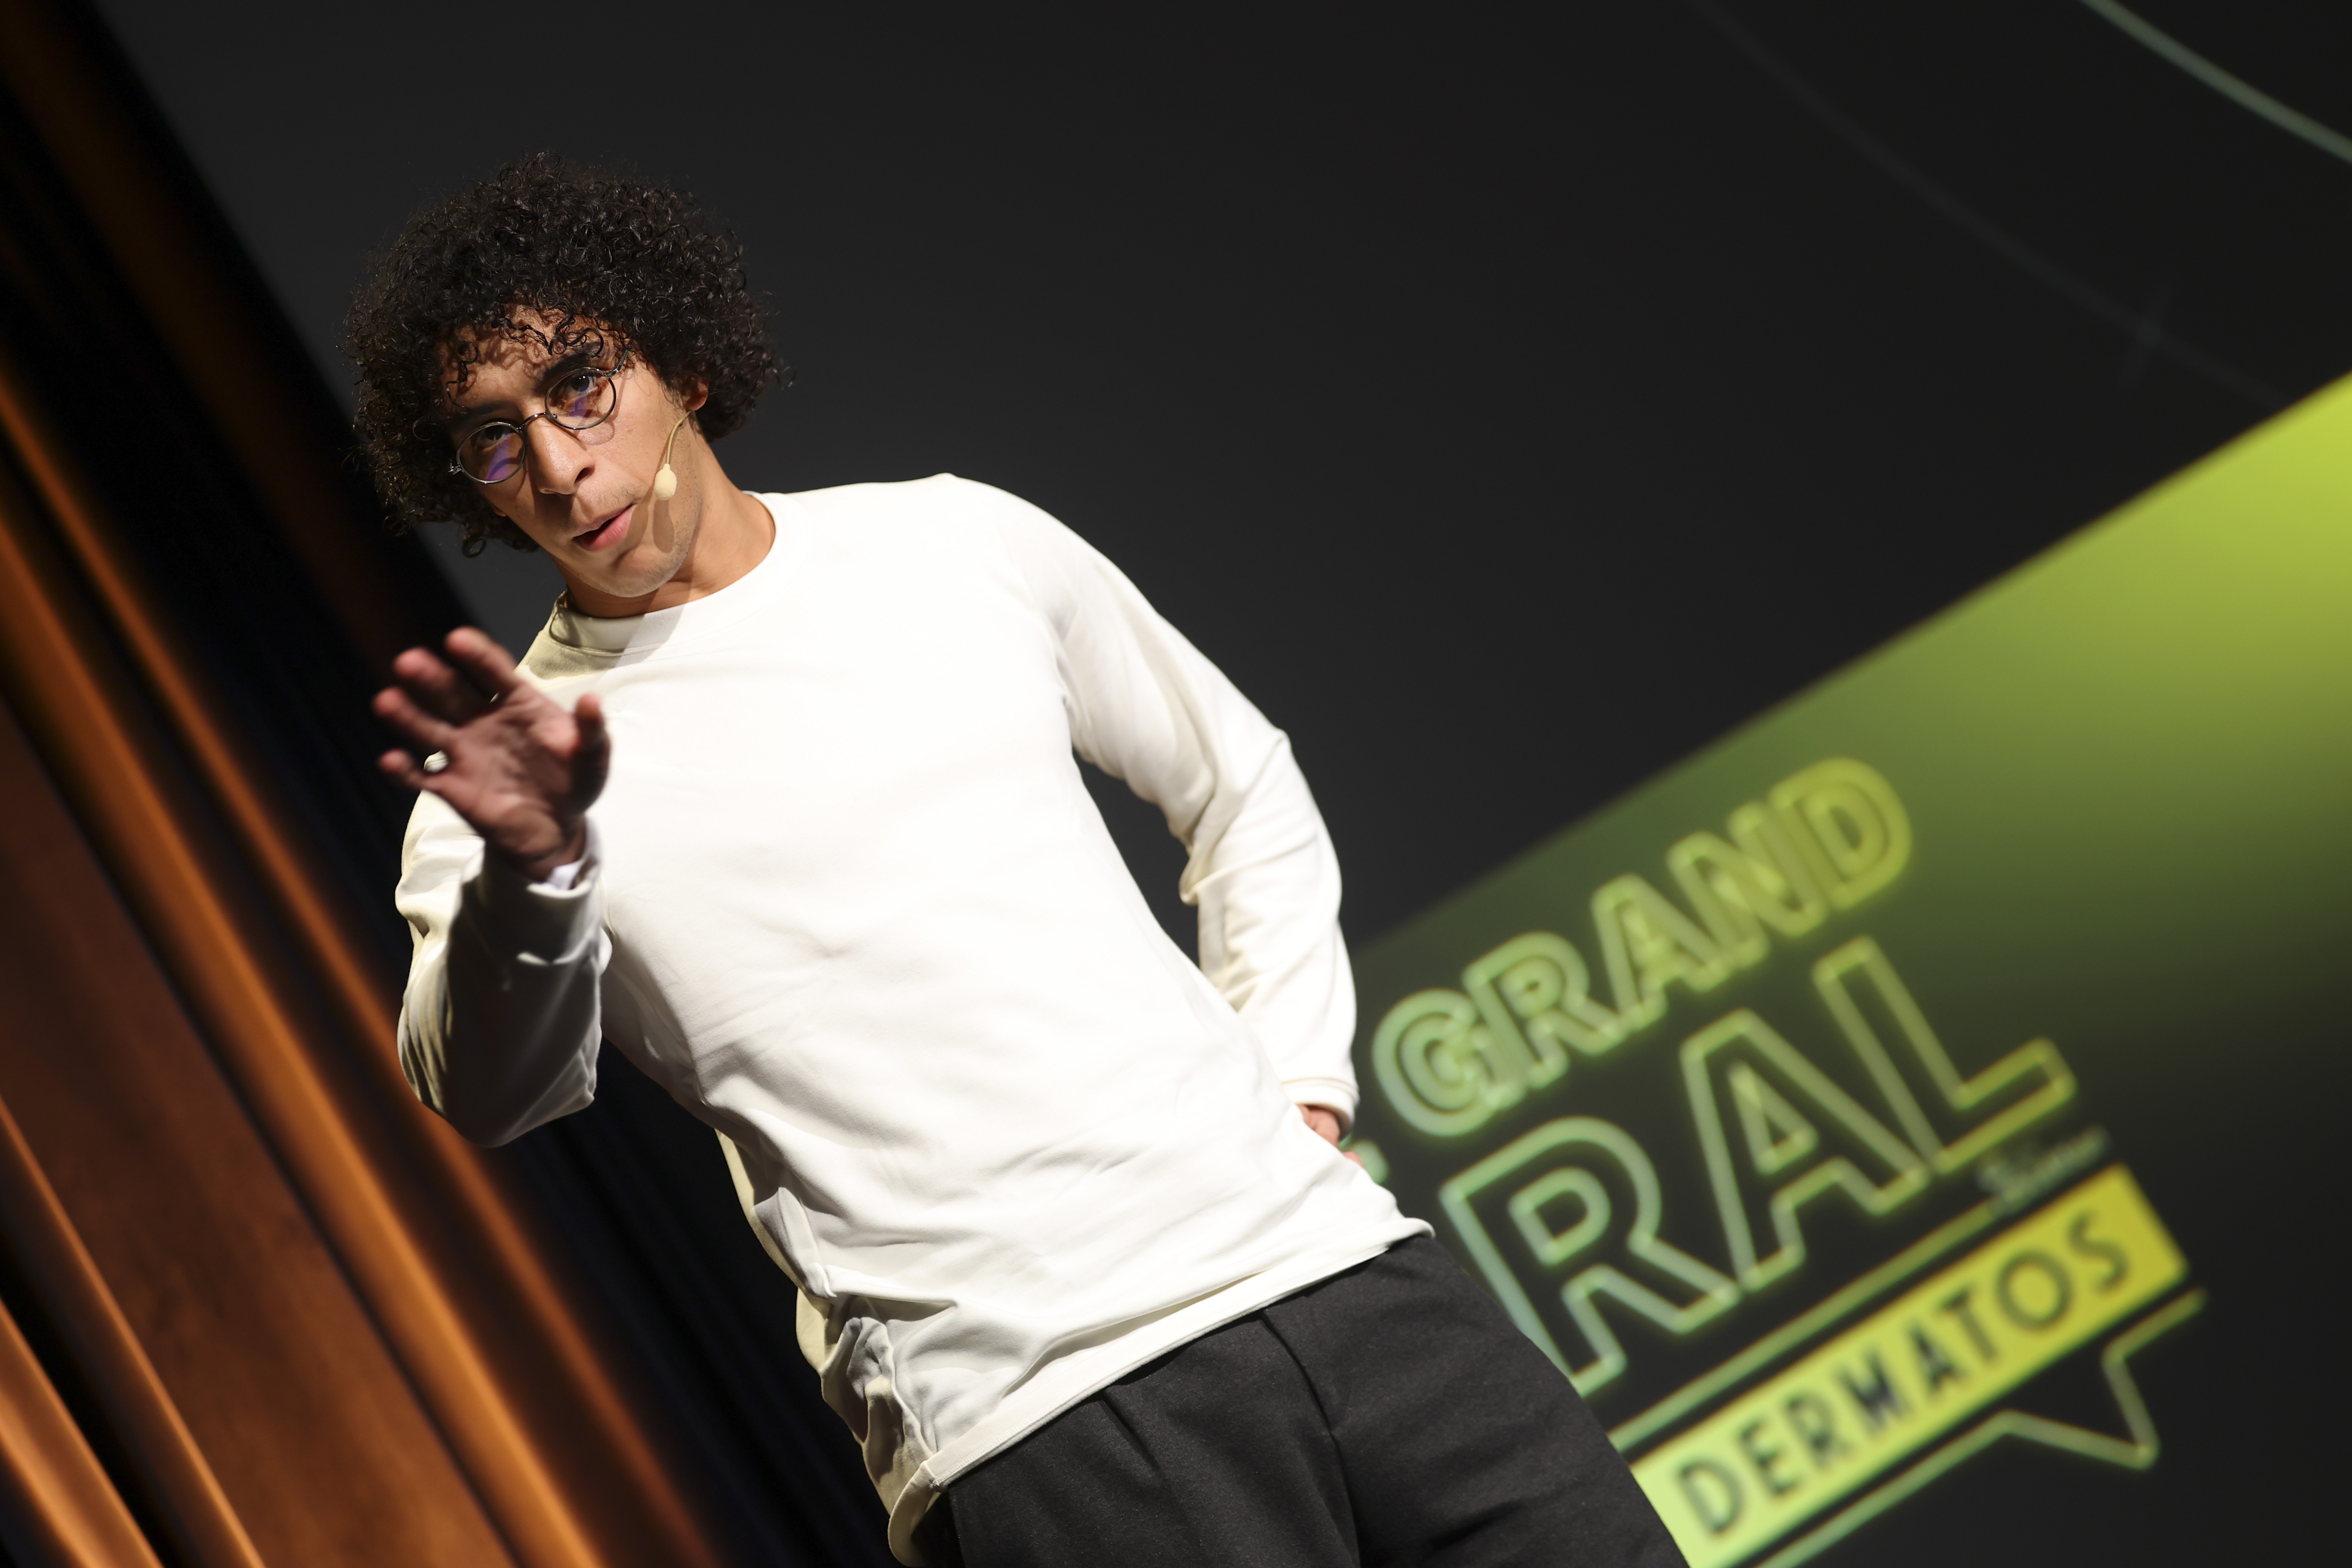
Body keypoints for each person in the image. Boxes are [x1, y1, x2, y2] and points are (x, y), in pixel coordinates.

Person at [355, 155, 1681, 1568]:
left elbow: (1240, 783)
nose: (560, 467)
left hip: (1351, 1282)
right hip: (1044, 1414)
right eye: (493, 441)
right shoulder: (518, 778)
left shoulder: (950, 538)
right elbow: (486, 1089)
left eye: (578, 386)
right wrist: (539, 869)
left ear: (678, 360)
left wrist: (1300, 1085)